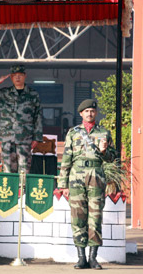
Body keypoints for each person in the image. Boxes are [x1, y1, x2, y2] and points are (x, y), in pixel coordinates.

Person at [57, 99, 116, 270]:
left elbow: (113, 158)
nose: (89, 113)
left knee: (95, 217)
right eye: (86, 111)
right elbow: (66, 159)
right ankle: (81, 257)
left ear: (96, 113)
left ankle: (93, 258)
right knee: (78, 217)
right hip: (76, 177)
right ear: (81, 113)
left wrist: (105, 151)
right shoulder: (73, 133)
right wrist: (63, 184)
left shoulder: (104, 133)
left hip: (96, 176)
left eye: (92, 111)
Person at [0, 64, 42, 173]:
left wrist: (37, 137)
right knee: (8, 170)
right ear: (11, 77)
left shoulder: (33, 94)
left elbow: (38, 116)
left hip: (25, 138)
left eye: (20, 75)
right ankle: (10, 190)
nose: (18, 77)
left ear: (25, 76)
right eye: (15, 75)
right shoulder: (4, 93)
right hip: (7, 138)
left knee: (24, 170)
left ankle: (22, 190)